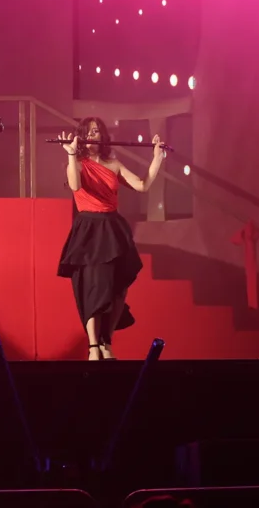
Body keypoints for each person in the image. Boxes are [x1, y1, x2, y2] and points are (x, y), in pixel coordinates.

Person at [56, 117, 165, 361]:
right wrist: (71, 155)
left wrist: (157, 159)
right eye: (88, 131)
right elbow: (74, 185)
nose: (93, 134)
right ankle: (93, 346)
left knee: (118, 288)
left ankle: (106, 340)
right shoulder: (78, 163)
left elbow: (142, 185)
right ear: (82, 135)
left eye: (97, 131)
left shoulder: (113, 164)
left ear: (103, 136)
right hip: (89, 230)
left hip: (113, 228)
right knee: (95, 287)